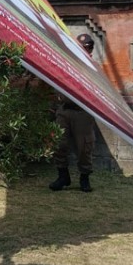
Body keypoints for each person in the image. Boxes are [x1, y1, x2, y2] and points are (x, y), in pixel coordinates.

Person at [49, 33, 98, 193]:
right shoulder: (67, 63)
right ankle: (63, 176)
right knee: (59, 143)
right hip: (64, 109)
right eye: (80, 47)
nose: (83, 50)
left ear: (90, 50)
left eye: (86, 48)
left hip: (82, 112)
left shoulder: (93, 67)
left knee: (84, 146)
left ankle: (84, 178)